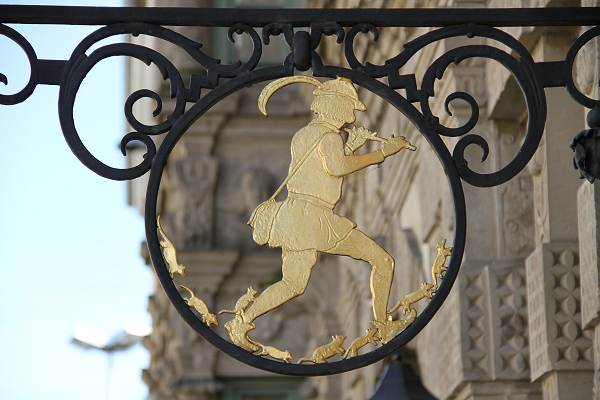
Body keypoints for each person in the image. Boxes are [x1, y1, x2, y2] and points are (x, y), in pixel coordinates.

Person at [224, 76, 417, 352]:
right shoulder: (329, 137)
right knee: (382, 260)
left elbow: (318, 170)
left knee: (292, 284)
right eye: (349, 108)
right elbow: (337, 168)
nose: (352, 116)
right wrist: (382, 153)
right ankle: (382, 327)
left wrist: (350, 147)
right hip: (316, 218)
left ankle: (242, 321)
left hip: (295, 216)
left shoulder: (305, 134)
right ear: (335, 106)